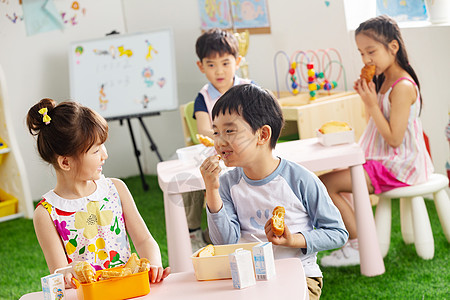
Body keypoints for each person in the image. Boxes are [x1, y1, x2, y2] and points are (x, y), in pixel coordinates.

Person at [199, 84, 348, 299]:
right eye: (216, 132)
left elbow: (337, 233)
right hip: (248, 280)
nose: (220, 141)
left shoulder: (300, 180)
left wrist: (292, 240)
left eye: (229, 131)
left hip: (299, 277)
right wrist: (212, 191)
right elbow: (225, 243)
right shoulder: (226, 184)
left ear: (262, 135)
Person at [319, 15, 434, 267]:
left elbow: (394, 139)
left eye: (371, 51)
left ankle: (358, 245)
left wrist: (371, 104)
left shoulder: (402, 86)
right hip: (385, 159)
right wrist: (368, 99)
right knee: (333, 177)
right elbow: (376, 125)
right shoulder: (383, 79)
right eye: (361, 53)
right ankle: (356, 238)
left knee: (325, 184)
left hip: (400, 164)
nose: (366, 59)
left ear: (393, 47)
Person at [27, 98, 170, 287]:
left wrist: (154, 263)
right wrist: (67, 275)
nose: (105, 154)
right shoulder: (46, 213)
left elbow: (144, 240)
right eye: (96, 151)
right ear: (65, 162)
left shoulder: (115, 189)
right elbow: (59, 272)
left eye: (103, 145)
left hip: (129, 288)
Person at [182, 28, 253, 251]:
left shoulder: (248, 89)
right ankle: (193, 232)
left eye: (225, 63)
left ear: (238, 61)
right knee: (190, 181)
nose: (219, 71)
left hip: (247, 154)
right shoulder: (203, 97)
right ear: (201, 66)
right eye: (211, 65)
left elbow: (258, 123)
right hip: (216, 156)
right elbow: (204, 131)